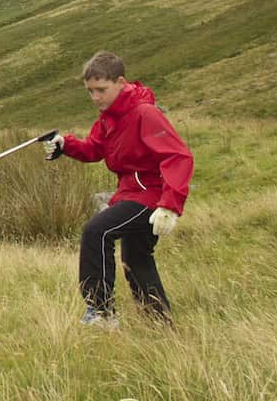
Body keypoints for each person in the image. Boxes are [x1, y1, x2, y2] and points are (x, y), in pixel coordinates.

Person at [42, 51, 193, 328]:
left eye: (101, 90)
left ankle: (101, 312)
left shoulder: (144, 113)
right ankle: (159, 325)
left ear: (121, 82)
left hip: (151, 197)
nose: (95, 97)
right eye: (90, 91)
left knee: (97, 231)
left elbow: (178, 156)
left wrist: (170, 205)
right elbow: (94, 149)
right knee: (136, 260)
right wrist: (65, 144)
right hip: (130, 193)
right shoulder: (108, 118)